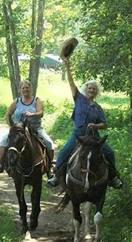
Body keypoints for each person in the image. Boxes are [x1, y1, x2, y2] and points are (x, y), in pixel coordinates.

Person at [46, 54, 123, 189]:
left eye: (93, 89)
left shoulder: (98, 108)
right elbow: (71, 82)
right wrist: (67, 66)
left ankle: (113, 177)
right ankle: (56, 176)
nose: (91, 90)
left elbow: (104, 125)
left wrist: (95, 125)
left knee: (109, 152)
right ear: (86, 90)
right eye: (89, 88)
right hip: (79, 134)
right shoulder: (79, 99)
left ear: (96, 91)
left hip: (94, 136)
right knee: (64, 151)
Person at [0, 79, 55, 175]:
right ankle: (1, 163)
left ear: (31, 89)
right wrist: (12, 126)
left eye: (27, 88)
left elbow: (41, 113)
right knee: (4, 141)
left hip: (35, 128)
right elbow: (8, 114)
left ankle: (49, 166)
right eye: (23, 88)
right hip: (18, 130)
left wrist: (31, 114)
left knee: (49, 143)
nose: (25, 90)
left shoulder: (36, 100)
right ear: (20, 90)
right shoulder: (16, 101)